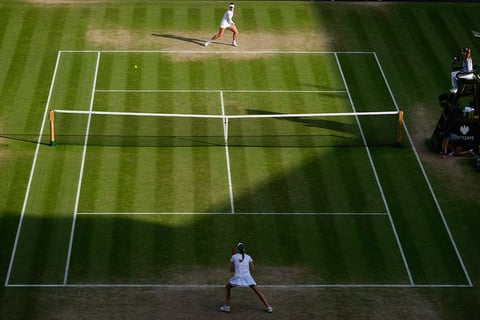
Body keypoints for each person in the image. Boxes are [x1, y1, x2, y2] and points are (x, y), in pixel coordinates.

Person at [220, 242, 273, 313]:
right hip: (247, 277)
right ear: (244, 249)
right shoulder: (248, 257)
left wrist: (236, 264)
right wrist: (245, 273)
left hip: (238, 278)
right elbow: (252, 269)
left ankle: (227, 307)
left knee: (227, 287)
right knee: (257, 291)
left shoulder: (234, 257)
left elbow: (231, 270)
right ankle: (268, 307)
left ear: (238, 249)